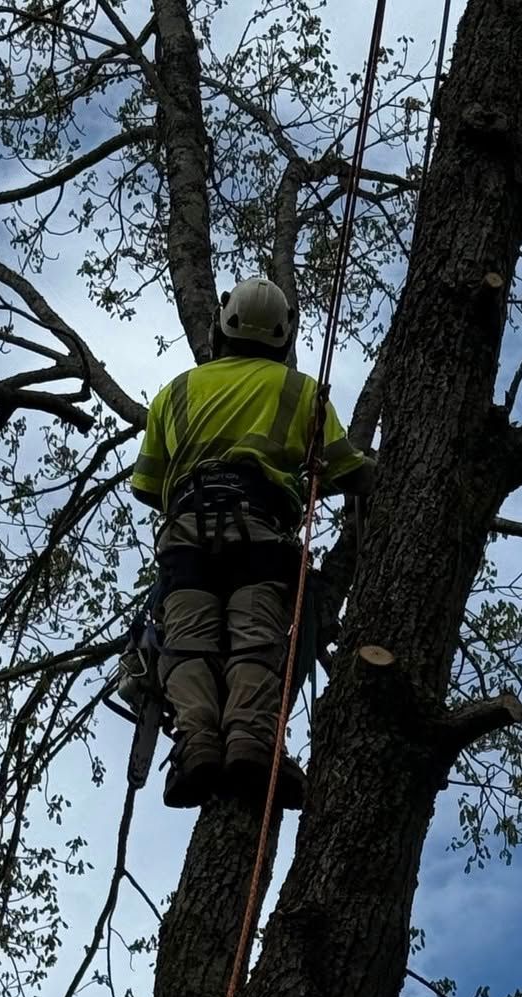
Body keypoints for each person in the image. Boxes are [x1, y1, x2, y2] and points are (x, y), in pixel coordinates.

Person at [129, 277, 371, 811]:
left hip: (186, 536)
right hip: (261, 533)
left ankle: (197, 744)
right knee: (255, 642)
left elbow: (147, 485)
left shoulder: (176, 391)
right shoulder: (302, 391)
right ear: (285, 339)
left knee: (188, 642)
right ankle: (249, 743)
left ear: (221, 326)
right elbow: (347, 470)